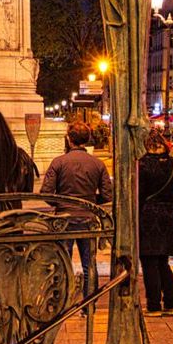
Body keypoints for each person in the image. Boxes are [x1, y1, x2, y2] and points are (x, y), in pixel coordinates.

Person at [39, 123, 111, 291]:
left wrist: (62, 202)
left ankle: (64, 302)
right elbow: (108, 195)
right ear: (87, 140)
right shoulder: (98, 164)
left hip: (64, 219)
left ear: (69, 139)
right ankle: (89, 305)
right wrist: (90, 201)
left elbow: (46, 192)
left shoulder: (59, 162)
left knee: (63, 263)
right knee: (89, 265)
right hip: (88, 219)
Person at [138, 130, 173, 316]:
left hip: (149, 215)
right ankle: (171, 303)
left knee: (149, 261)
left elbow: (139, 193)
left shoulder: (143, 164)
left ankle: (154, 305)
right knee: (163, 261)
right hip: (170, 213)